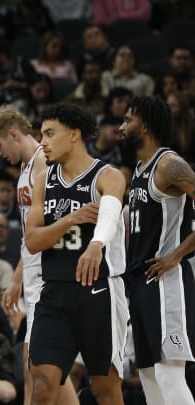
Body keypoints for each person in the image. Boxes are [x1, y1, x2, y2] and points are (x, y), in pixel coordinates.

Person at [25, 103, 128, 405]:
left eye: (49, 133)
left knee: (105, 390)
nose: (42, 141)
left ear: (74, 135)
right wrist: (70, 219)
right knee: (42, 384)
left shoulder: (108, 176)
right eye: (41, 134)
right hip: (55, 292)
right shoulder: (45, 180)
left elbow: (109, 212)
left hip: (98, 292)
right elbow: (32, 241)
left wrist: (96, 244)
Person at [0, 104, 79, 405]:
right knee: (38, 370)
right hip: (35, 275)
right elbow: (30, 236)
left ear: (13, 134)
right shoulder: (25, 170)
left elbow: (50, 228)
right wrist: (16, 280)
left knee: (37, 367)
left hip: (50, 277)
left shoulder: (44, 163)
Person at [120, 95, 195, 405]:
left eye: (128, 120)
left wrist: (178, 254)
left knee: (168, 372)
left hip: (166, 281)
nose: (121, 127)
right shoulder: (139, 169)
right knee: (149, 373)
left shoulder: (169, 164)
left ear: (146, 125)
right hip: (140, 282)